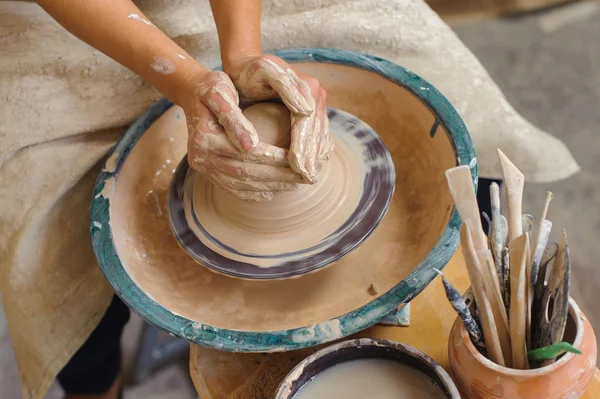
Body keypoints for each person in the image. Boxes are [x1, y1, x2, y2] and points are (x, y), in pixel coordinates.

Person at [0, 1, 578, 398]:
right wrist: (184, 81)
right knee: (41, 228)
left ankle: (483, 354)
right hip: (65, 25)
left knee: (453, 96)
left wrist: (244, 55)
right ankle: (95, 383)